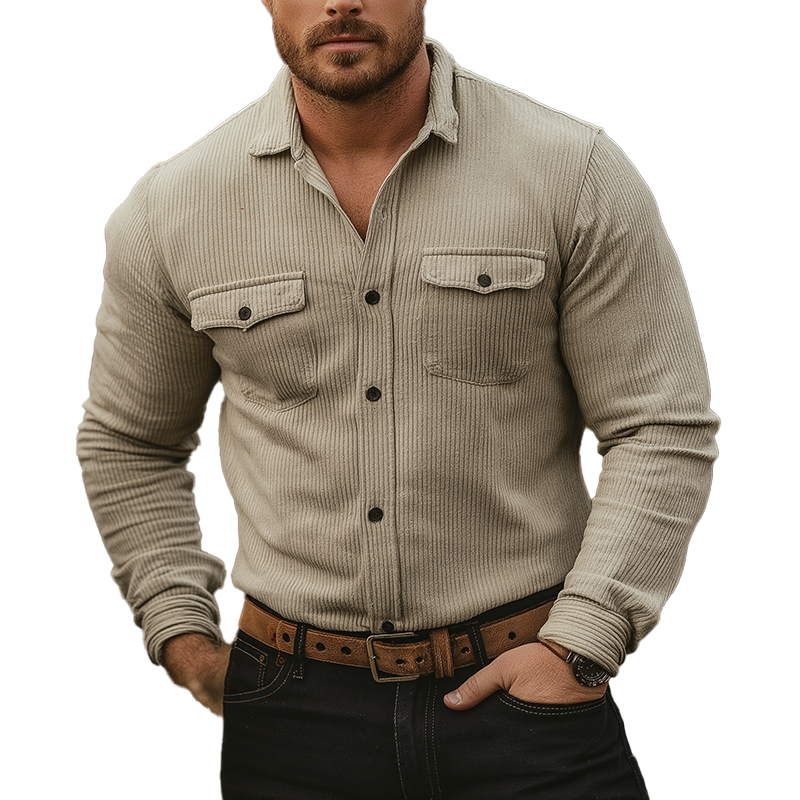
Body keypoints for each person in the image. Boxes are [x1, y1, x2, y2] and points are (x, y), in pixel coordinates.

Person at [77, 1, 719, 797]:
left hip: (533, 703)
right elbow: (129, 441)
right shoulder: (172, 207)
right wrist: (181, 632)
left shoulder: (571, 171)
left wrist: (580, 643)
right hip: (292, 718)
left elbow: (659, 424)